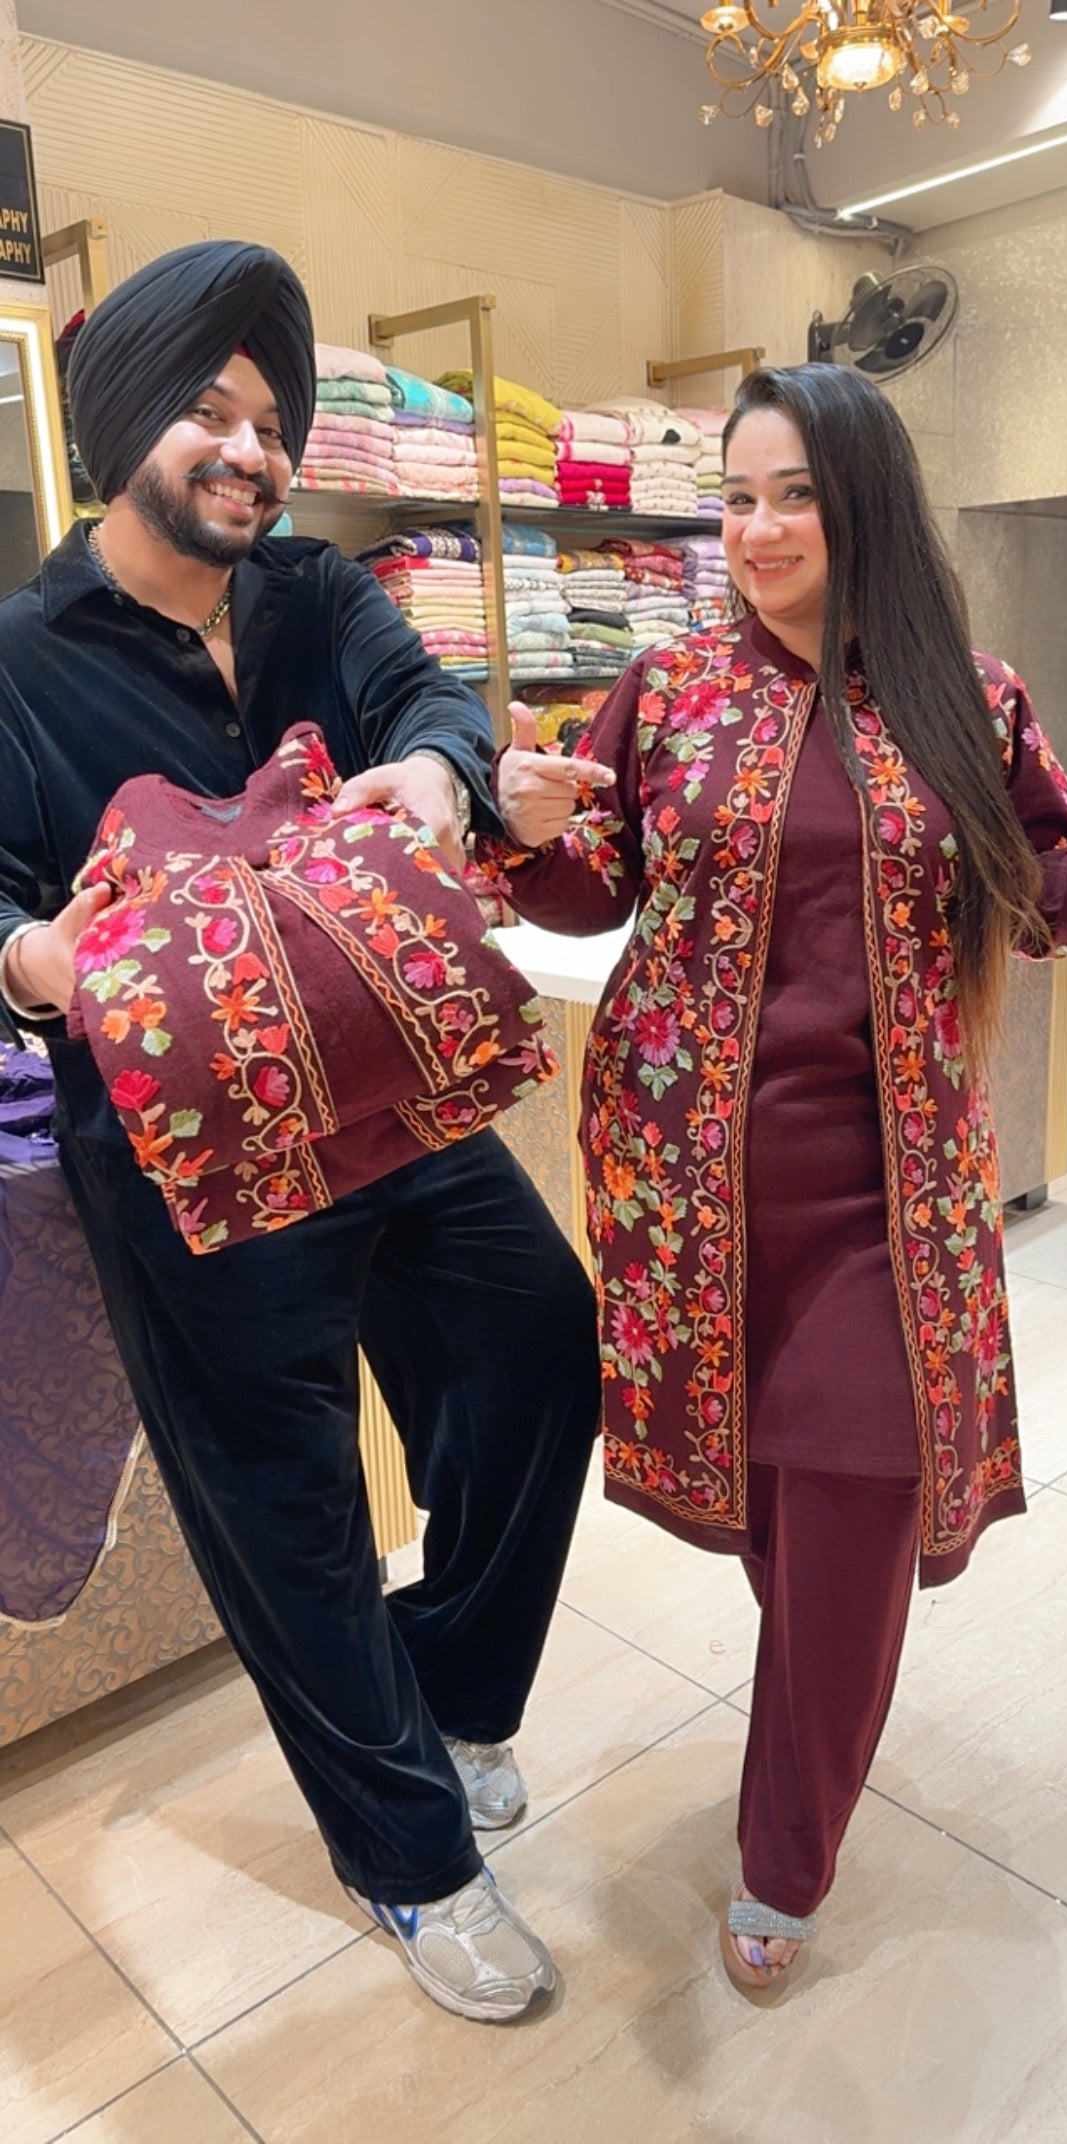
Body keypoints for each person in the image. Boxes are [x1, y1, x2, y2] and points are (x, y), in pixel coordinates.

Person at [481, 362, 1067, 1991]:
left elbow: (1049, 896)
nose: (758, 529)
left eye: (794, 493)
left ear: (862, 498)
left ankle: (786, 1851)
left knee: (860, 1498)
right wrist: (523, 826)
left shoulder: (965, 695)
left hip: (890, 1196)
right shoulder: (668, 687)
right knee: (773, 1503)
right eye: (735, 498)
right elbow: (593, 889)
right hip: (682, 1188)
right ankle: (805, 1699)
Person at [0, 241, 601, 2025]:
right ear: (123, 424)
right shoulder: (17, 660)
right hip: (185, 1153)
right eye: (209, 409)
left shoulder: (316, 594)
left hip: (388, 1087)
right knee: (288, 1507)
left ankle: (446, 1696)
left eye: (271, 419)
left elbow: (426, 698)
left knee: (535, 1345)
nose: (250, 449)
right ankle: (411, 1860)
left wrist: (440, 767)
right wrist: (32, 960)